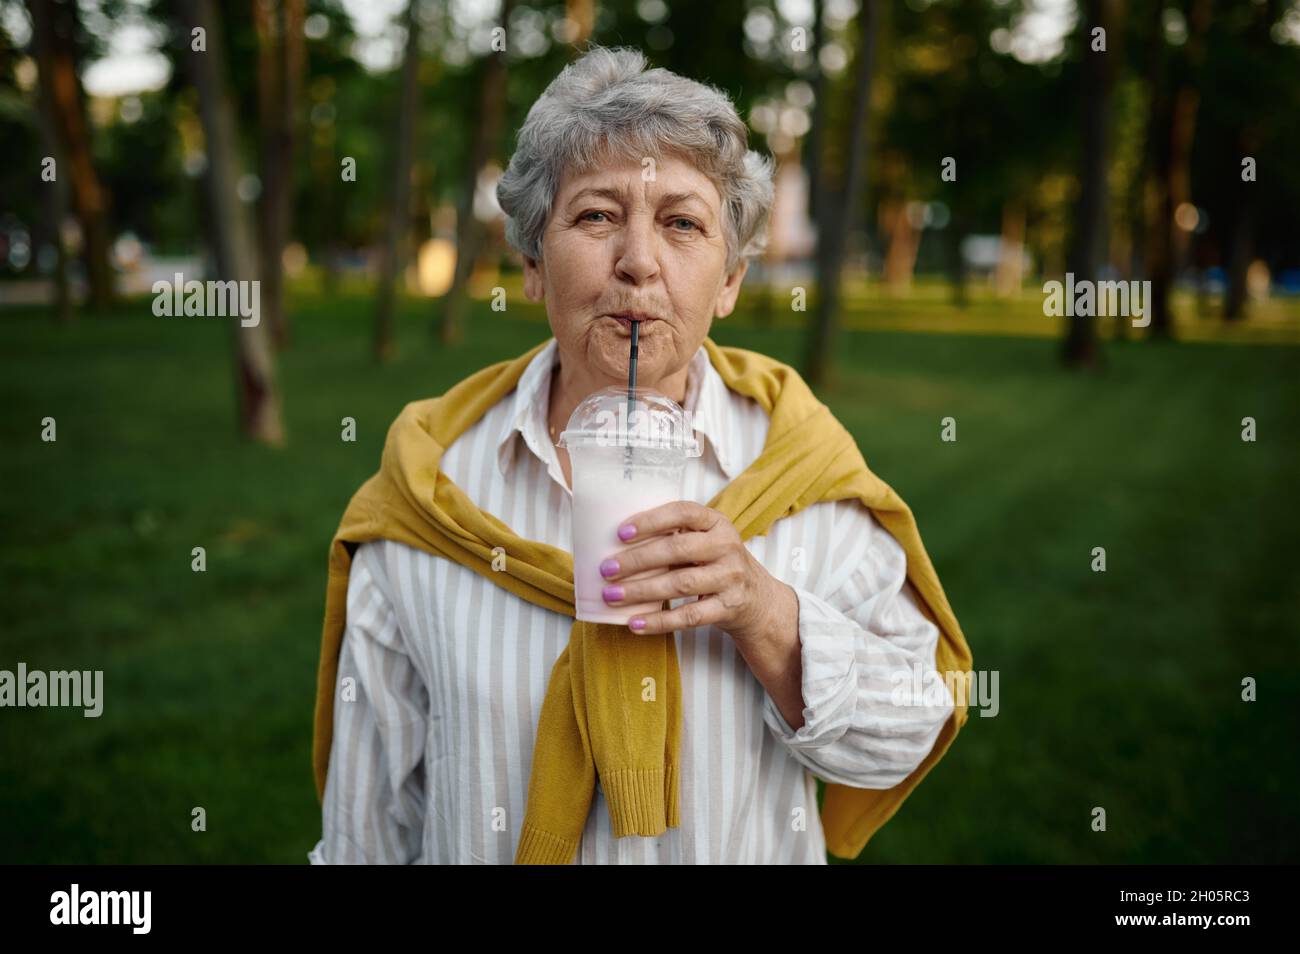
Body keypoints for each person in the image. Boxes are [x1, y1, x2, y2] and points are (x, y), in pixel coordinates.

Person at [309, 45, 967, 865]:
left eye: (683, 224)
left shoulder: (805, 477)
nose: (638, 262)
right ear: (532, 264)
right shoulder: (425, 494)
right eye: (595, 216)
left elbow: (911, 729)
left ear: (727, 280)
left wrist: (765, 614)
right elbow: (367, 831)